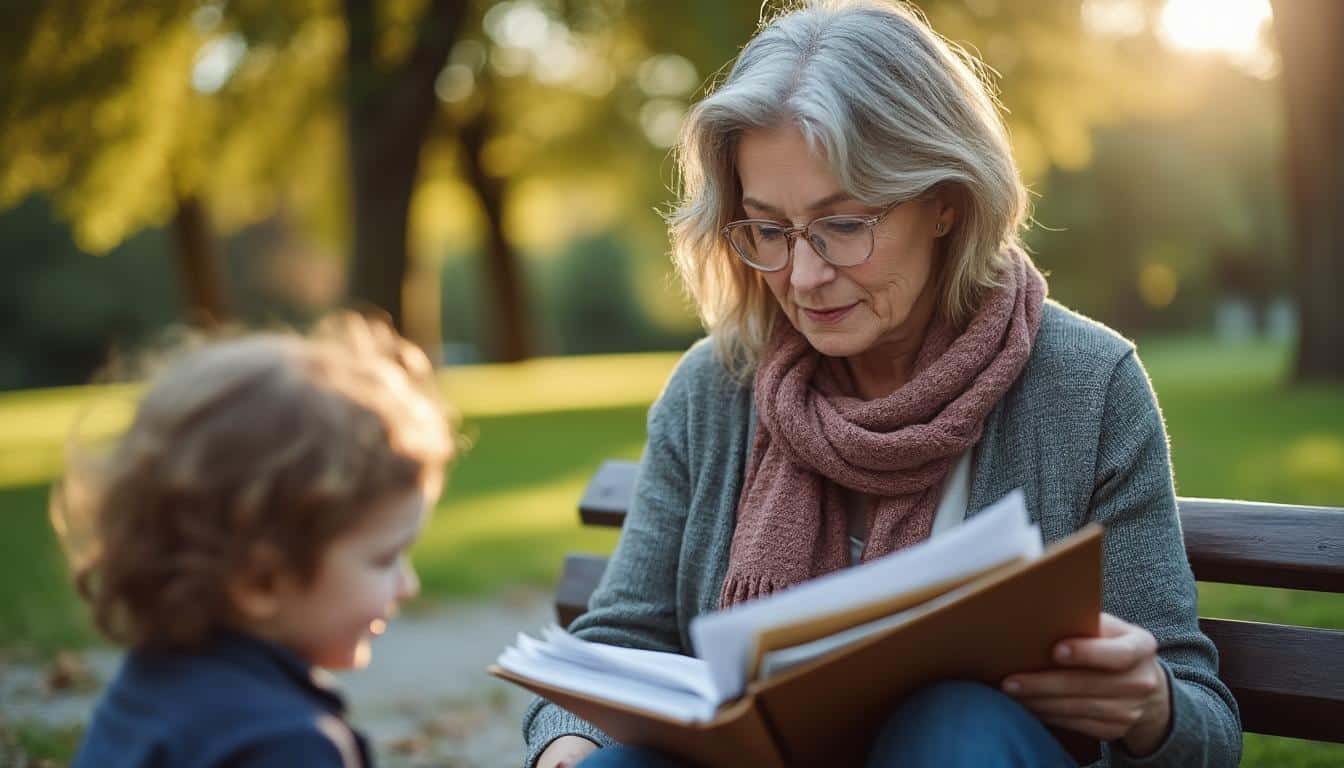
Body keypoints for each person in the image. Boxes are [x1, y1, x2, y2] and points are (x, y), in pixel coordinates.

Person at [523, 1, 1240, 766]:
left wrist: (1150, 706)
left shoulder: (1085, 386)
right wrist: (566, 745)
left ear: (945, 203)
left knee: (955, 723)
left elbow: (1203, 725)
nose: (802, 276)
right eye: (768, 228)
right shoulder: (716, 386)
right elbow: (620, 640)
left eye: (842, 224)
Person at [60, 313, 456, 768]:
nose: (408, 585)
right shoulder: (283, 745)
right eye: (385, 559)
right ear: (261, 582)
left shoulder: (150, 683)